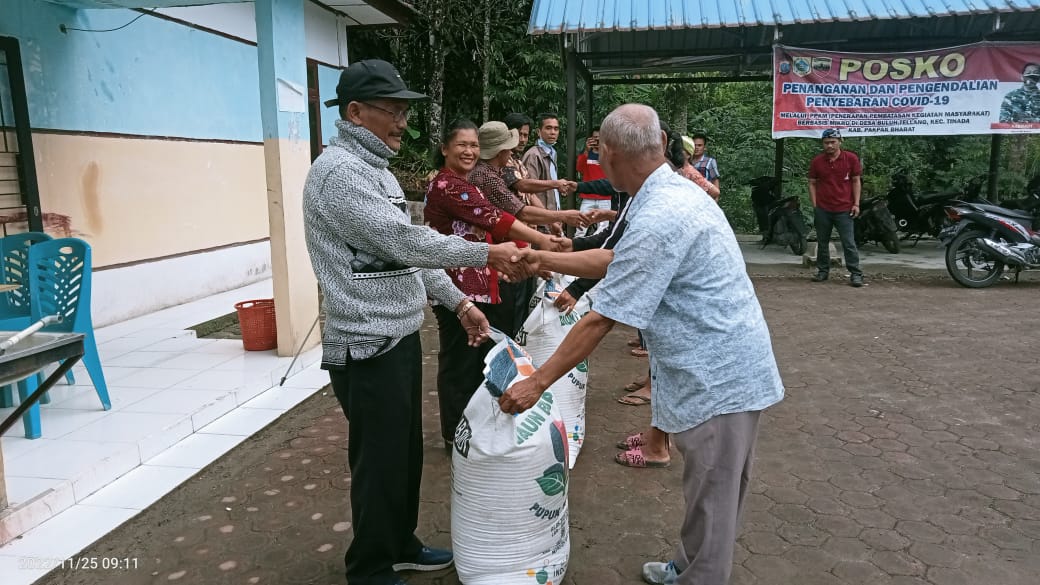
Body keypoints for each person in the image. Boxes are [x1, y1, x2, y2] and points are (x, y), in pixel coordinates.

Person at [499, 103, 785, 585]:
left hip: (721, 379)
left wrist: (538, 383)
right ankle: (687, 565)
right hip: (711, 366)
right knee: (705, 490)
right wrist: (546, 257)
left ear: (608, 154)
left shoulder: (661, 213)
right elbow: (615, 257)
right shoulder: (659, 190)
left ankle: (699, 577)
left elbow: (600, 319)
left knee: (713, 498)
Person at [303, 59, 528, 585]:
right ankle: (370, 567)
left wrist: (460, 304)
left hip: (399, 333)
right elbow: (406, 242)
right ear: (355, 112)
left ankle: (398, 543)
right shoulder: (338, 173)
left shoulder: (376, 170)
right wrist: (487, 255)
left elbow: (405, 259)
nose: (404, 122)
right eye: (393, 111)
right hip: (365, 342)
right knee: (379, 461)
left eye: (406, 112)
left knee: (403, 456)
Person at [425, 118, 560, 446]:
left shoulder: (464, 181)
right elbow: (498, 219)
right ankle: (454, 435)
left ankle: (467, 429)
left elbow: (494, 225)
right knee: (460, 363)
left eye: (474, 145)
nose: (470, 151)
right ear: (445, 148)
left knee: (474, 363)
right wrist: (543, 244)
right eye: (462, 145)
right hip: (455, 289)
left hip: (476, 284)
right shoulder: (449, 185)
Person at [468, 120, 590, 335]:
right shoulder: (487, 177)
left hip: (508, 249)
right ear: (501, 151)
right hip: (499, 257)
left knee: (514, 313)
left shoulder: (496, 170)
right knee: (504, 323)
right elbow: (519, 210)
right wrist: (560, 216)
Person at [809, 128, 864, 287]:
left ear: (840, 142)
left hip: (844, 209)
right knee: (822, 241)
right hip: (823, 209)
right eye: (826, 143)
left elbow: (856, 181)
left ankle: (855, 273)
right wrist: (815, 204)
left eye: (833, 142)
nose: (830, 146)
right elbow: (812, 183)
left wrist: (856, 203)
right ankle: (822, 271)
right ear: (823, 144)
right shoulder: (817, 161)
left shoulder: (851, 159)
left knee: (848, 242)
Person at [521, 112, 569, 233]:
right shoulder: (534, 155)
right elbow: (529, 192)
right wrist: (549, 219)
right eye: (548, 128)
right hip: (541, 221)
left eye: (556, 128)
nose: (553, 132)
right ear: (539, 132)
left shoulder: (552, 153)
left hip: (552, 217)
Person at [575, 126, 611, 235]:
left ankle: (598, 249)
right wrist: (586, 151)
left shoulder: (608, 155)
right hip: (588, 197)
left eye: (600, 138)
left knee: (603, 227)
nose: (597, 141)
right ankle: (576, 247)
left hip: (605, 197)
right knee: (581, 225)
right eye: (595, 138)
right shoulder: (587, 154)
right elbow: (579, 168)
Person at [682, 133, 721, 200]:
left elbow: (715, 183)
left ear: (704, 147)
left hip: (705, 198)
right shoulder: (686, 161)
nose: (696, 148)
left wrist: (715, 203)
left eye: (699, 145)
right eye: (695, 145)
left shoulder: (710, 161)